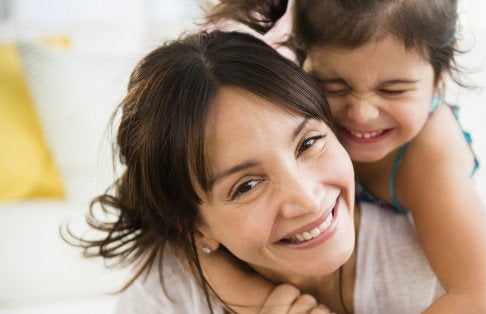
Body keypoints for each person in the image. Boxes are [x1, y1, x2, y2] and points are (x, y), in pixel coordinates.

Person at [63, 30, 453, 313]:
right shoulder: (166, 295)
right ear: (194, 226)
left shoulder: (429, 257)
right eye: (246, 185)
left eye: (309, 143)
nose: (306, 198)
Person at [203, 0, 486, 312]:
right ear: (300, 65)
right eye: (334, 86)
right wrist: (257, 301)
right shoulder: (289, 114)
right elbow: (191, 231)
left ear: (439, 79)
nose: (362, 114)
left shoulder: (429, 156)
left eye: (393, 91)